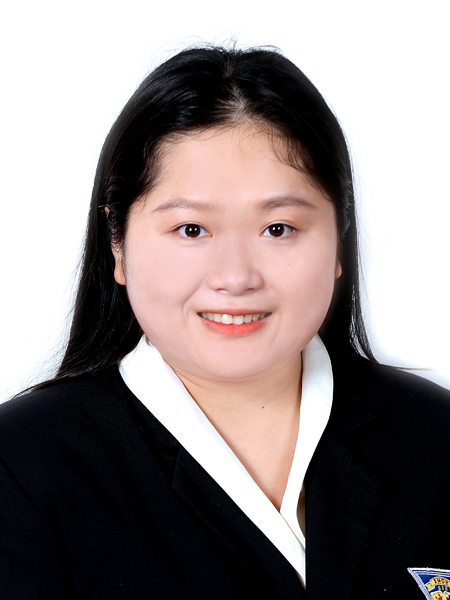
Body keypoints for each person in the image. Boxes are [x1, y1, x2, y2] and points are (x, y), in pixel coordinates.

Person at [1, 45, 449, 600]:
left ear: (340, 238)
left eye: (279, 229)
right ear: (117, 245)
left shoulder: (437, 440)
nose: (235, 278)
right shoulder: (21, 466)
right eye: (191, 230)